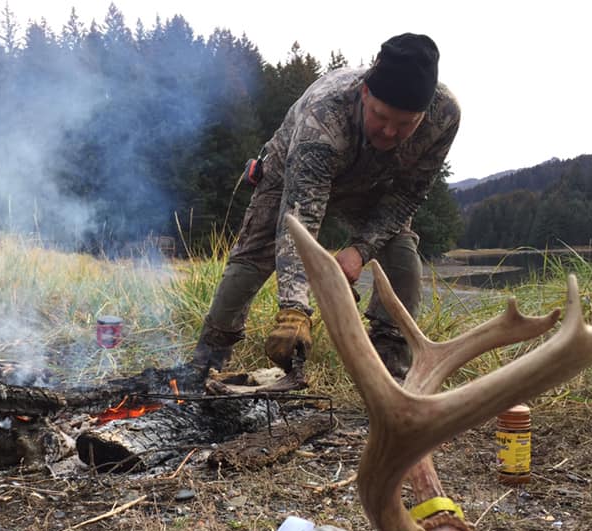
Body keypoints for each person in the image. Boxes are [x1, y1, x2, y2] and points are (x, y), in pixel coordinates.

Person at [191, 33, 460, 380]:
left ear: (424, 114)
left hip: (371, 185)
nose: (390, 132)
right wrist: (294, 310)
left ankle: (390, 372)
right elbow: (299, 221)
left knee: (402, 258)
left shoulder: (445, 116)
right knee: (251, 258)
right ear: (365, 94)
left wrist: (360, 250)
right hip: (290, 173)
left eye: (405, 124)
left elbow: (409, 194)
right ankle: (206, 361)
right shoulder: (324, 117)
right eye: (380, 116)